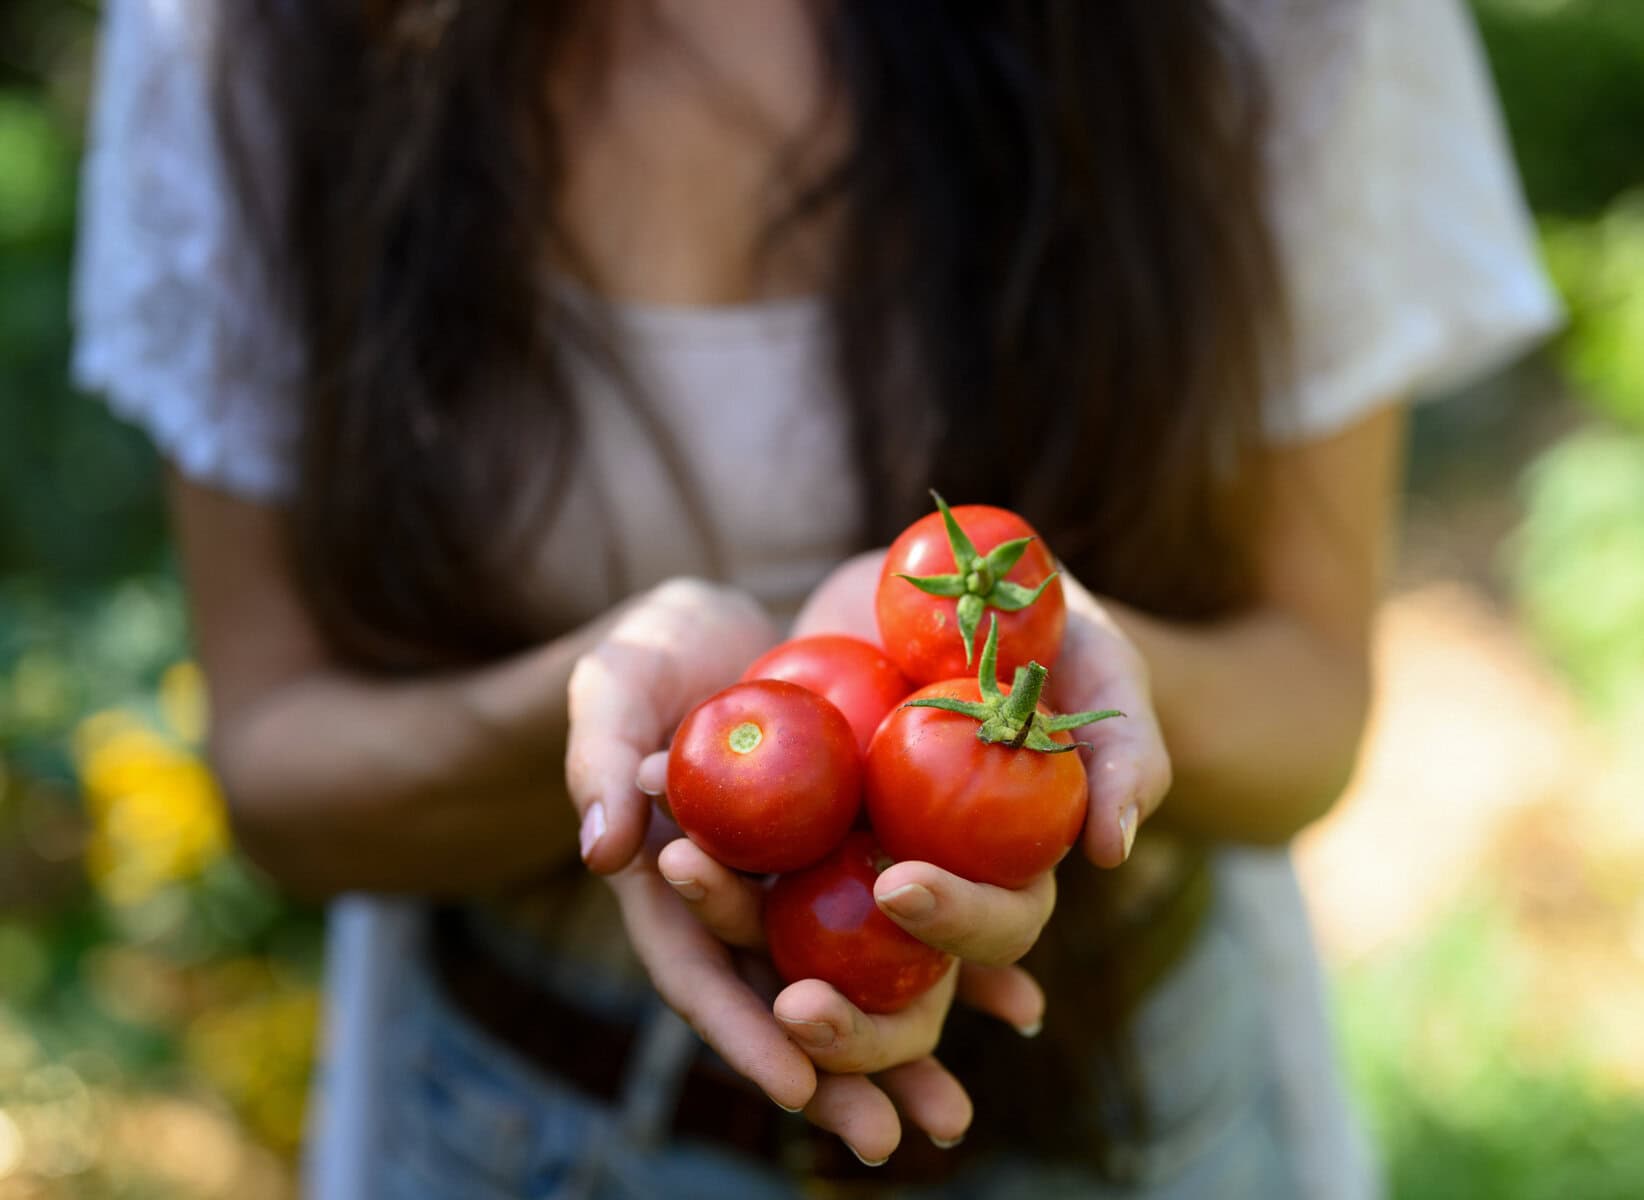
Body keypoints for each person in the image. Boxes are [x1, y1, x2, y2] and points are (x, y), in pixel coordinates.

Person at [72, 0, 1560, 1196]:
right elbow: (277, 778)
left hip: (1136, 1116)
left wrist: (1109, 700)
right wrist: (604, 730)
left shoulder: (1272, 22)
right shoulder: (245, 30)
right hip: (516, 1123)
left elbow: (1312, 713)